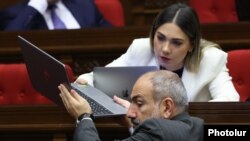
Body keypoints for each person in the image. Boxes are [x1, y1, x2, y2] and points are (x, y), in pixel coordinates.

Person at [76, 3, 239, 102]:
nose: (165, 48)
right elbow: (99, 79)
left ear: (192, 45)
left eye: (176, 42)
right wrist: (85, 80)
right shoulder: (141, 49)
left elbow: (230, 100)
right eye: (160, 38)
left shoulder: (211, 59)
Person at [58, 70, 204, 141]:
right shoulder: (196, 127)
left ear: (167, 107)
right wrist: (132, 126)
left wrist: (84, 117)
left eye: (139, 103)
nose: (129, 113)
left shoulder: (156, 130)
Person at [0, 0, 112, 30]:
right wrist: (37, 5)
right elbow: (10, 44)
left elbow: (112, 38)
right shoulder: (15, 14)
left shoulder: (85, 5)